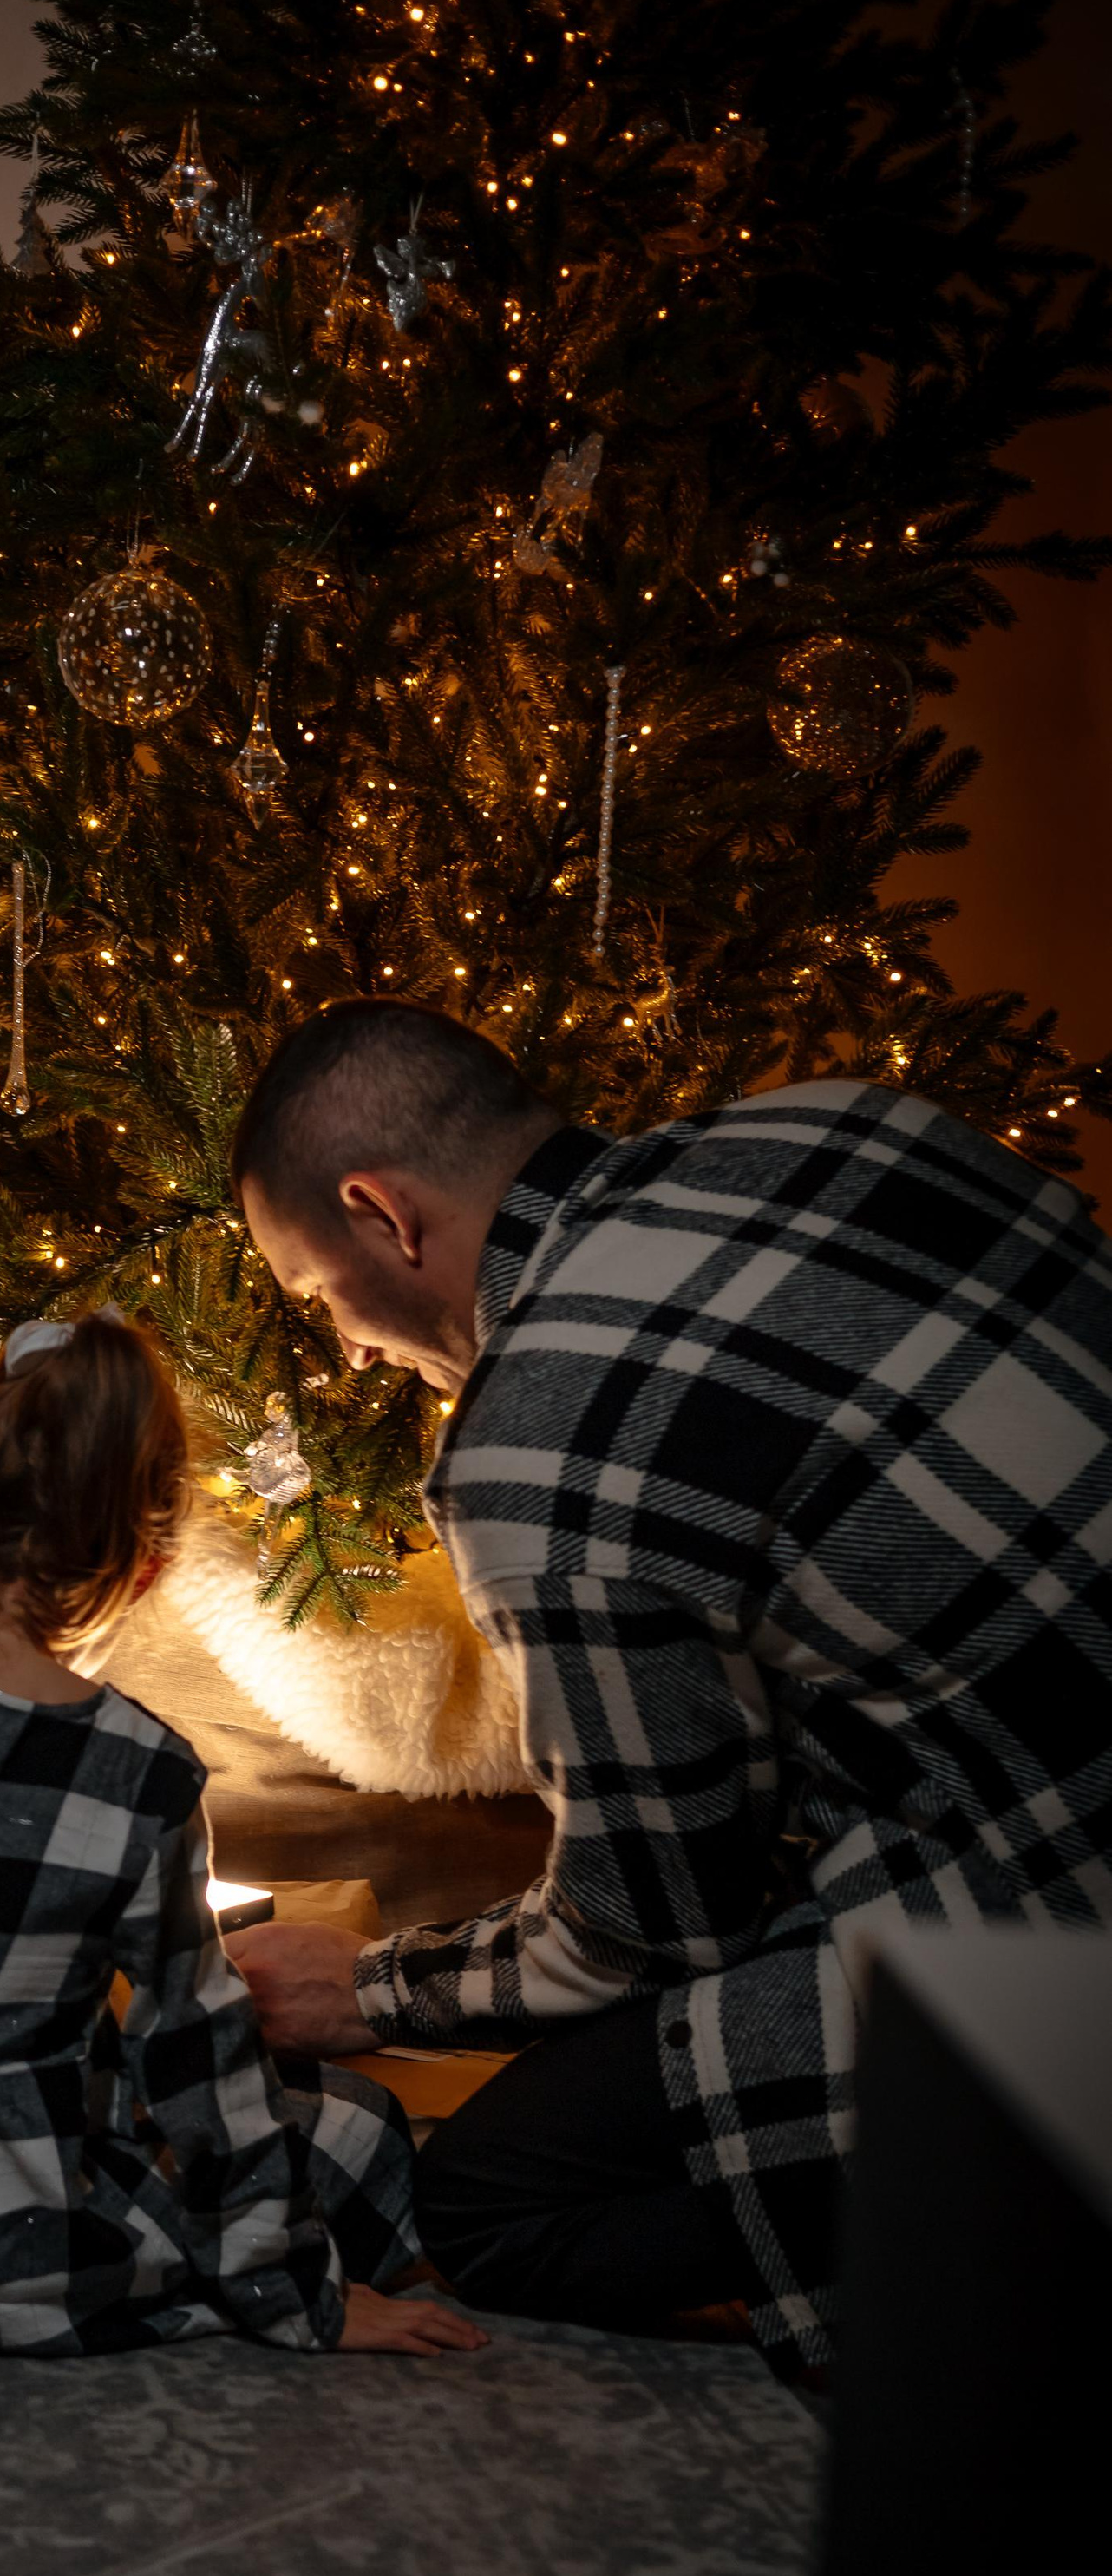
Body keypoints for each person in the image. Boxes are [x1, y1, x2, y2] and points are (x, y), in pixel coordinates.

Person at [225, 997, 1112, 2378]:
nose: (345, 1346)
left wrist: (372, 1992)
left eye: (314, 1293)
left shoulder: (539, 1446)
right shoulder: (849, 1120)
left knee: (492, 2195)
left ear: (383, 1215)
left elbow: (657, 1926)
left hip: (1054, 1927)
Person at [0, 1311, 490, 2360]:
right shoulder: (138, 1772)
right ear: (144, 1568)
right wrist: (308, 2301)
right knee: (359, 2130)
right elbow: (201, 2072)